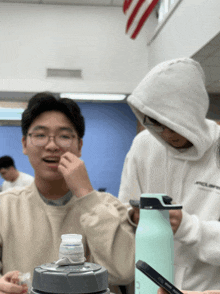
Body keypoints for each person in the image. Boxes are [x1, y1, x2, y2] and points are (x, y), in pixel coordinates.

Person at [0, 92, 135, 294]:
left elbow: (124, 272)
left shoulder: (110, 207)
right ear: (24, 144)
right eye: (40, 135)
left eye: (64, 136)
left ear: (79, 146)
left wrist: (86, 194)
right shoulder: (5, 207)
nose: (52, 145)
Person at [118, 57, 220, 291]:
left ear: (191, 115)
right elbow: (123, 208)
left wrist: (187, 226)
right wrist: (133, 217)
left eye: (175, 125)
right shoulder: (143, 145)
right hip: (148, 285)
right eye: (156, 124)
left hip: (206, 289)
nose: (165, 134)